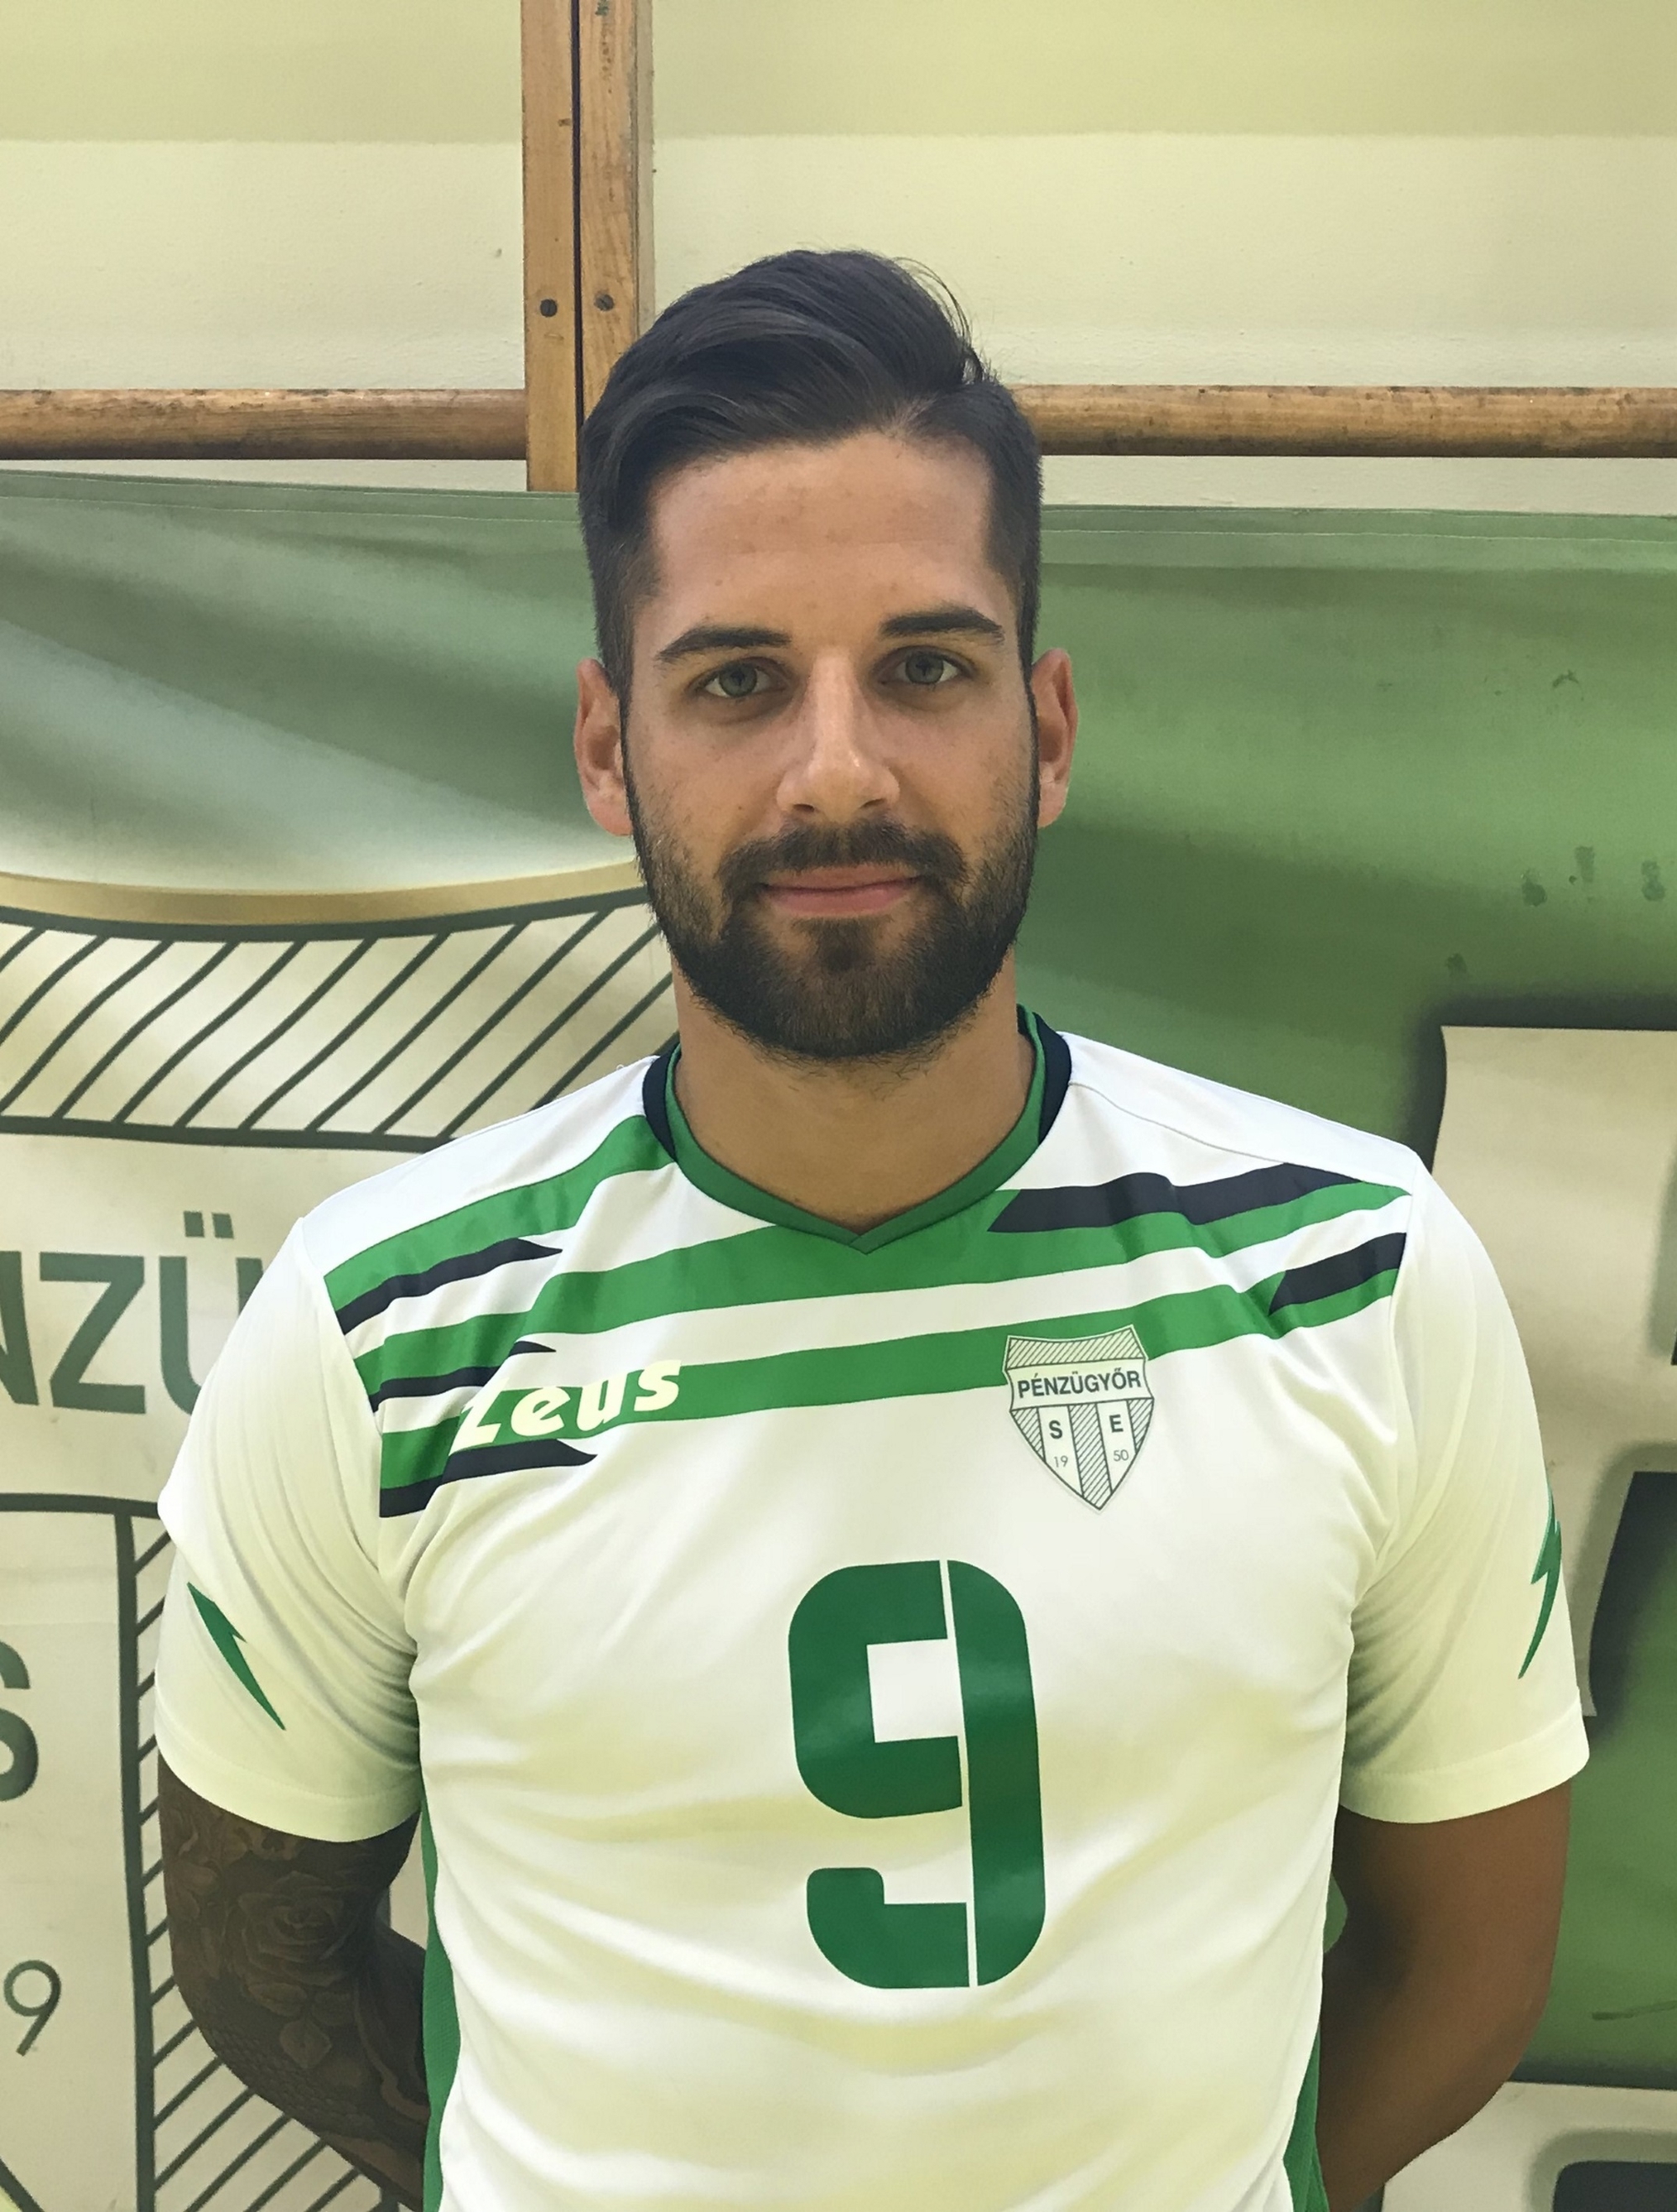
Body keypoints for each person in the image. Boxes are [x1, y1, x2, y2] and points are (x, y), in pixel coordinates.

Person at [154, 250, 1586, 2212]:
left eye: (924, 667)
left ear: (1046, 728)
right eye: (736, 680)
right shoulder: (380, 1325)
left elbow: (1463, 1960)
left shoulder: (1356, 1270)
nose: (836, 769)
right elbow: (263, 1964)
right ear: (609, 745)